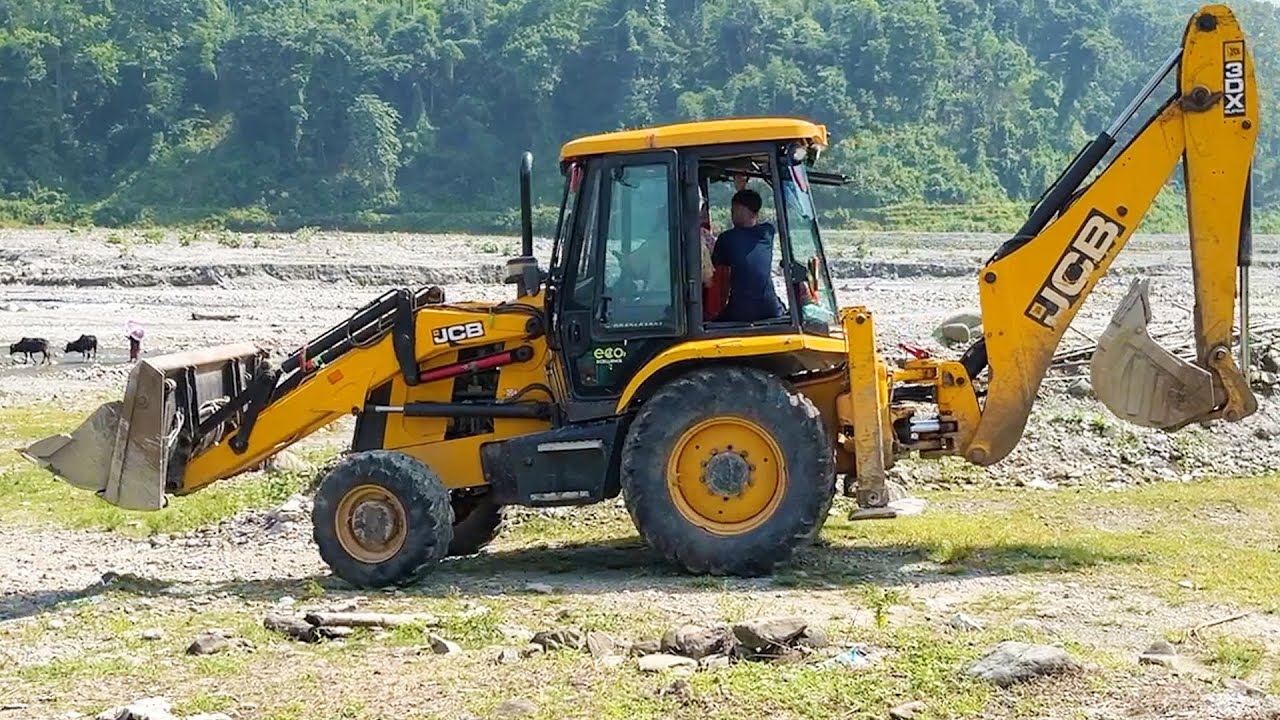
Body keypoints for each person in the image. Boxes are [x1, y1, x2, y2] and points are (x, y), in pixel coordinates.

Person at [711, 188, 785, 323]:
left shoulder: (727, 238)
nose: (731, 215)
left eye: (733, 211)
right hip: (771, 309)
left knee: (709, 324)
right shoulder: (768, 232)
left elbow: (714, 267)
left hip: (741, 312)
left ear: (741, 210)